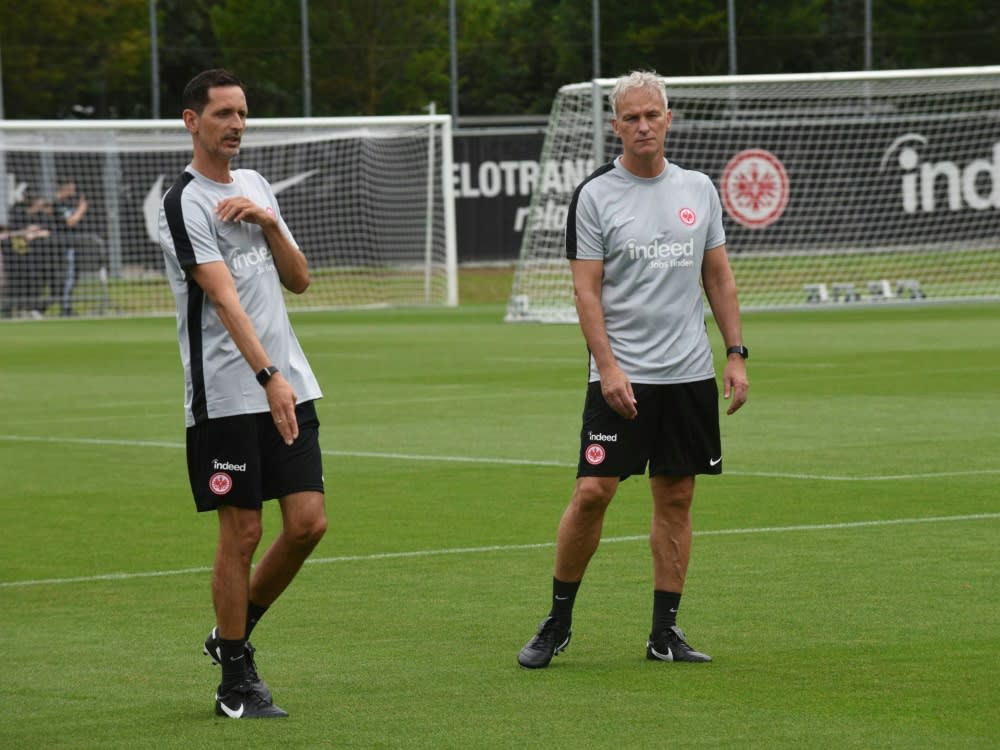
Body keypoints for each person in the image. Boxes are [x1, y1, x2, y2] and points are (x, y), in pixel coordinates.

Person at [517, 70, 750, 669]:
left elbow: (718, 276)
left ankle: (664, 634)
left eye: (652, 115)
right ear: (614, 125)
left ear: (668, 119)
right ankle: (557, 622)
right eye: (631, 118)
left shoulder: (698, 188)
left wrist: (735, 352)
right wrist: (610, 368)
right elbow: (585, 293)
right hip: (622, 378)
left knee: (676, 498)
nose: (643, 126)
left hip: (689, 376)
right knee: (592, 492)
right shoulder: (595, 195)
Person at [159, 68, 328, 719]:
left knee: (309, 525)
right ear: (191, 120)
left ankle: (229, 637)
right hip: (229, 396)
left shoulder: (255, 187)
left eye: (242, 113)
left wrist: (269, 222)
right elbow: (224, 299)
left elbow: (301, 281)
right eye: (223, 113)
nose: (235, 124)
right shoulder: (186, 201)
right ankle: (235, 680)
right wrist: (266, 375)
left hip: (289, 386)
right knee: (244, 531)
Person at [53, 180, 89, 316]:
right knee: (66, 276)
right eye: (71, 188)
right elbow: (70, 222)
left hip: (71, 245)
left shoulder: (67, 203)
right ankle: (64, 307)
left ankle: (67, 306)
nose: (73, 191)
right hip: (61, 247)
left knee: (72, 276)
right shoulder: (58, 204)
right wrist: (81, 209)